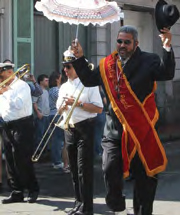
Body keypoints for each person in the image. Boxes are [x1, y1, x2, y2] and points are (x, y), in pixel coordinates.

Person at [71, 25, 176, 215]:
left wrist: (167, 48)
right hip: (114, 131)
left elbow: (167, 73)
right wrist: (79, 58)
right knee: (109, 169)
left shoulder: (149, 60)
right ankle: (117, 206)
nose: (122, 45)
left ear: (136, 43)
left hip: (140, 131)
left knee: (144, 179)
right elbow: (87, 79)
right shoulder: (107, 65)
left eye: (127, 42)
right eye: (119, 41)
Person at [56, 48, 103, 215]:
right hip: (69, 128)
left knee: (84, 169)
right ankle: (78, 202)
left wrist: (77, 104)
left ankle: (87, 207)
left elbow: (98, 108)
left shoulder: (88, 84)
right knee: (74, 169)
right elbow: (59, 110)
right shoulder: (63, 87)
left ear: (77, 66)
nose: (66, 70)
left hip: (85, 127)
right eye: (65, 67)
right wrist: (62, 107)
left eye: (69, 66)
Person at [0, 61, 39, 203]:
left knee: (22, 158)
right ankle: (16, 191)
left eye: (1, 76)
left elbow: (18, 104)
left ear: (9, 72)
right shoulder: (3, 86)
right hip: (7, 124)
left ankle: (32, 189)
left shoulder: (21, 86)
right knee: (10, 160)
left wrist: (6, 92)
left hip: (22, 124)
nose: (0, 79)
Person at [49, 71, 69, 172]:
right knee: (59, 139)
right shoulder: (55, 90)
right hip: (57, 115)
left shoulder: (53, 89)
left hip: (54, 115)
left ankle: (57, 160)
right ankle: (57, 161)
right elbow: (63, 99)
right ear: (57, 79)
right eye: (60, 77)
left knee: (57, 139)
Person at [32, 74, 50, 149]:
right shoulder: (37, 91)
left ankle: (44, 153)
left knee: (46, 136)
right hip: (40, 117)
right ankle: (37, 153)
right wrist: (38, 113)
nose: (47, 82)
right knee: (39, 137)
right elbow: (34, 102)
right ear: (41, 82)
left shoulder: (46, 91)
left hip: (47, 116)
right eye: (46, 80)